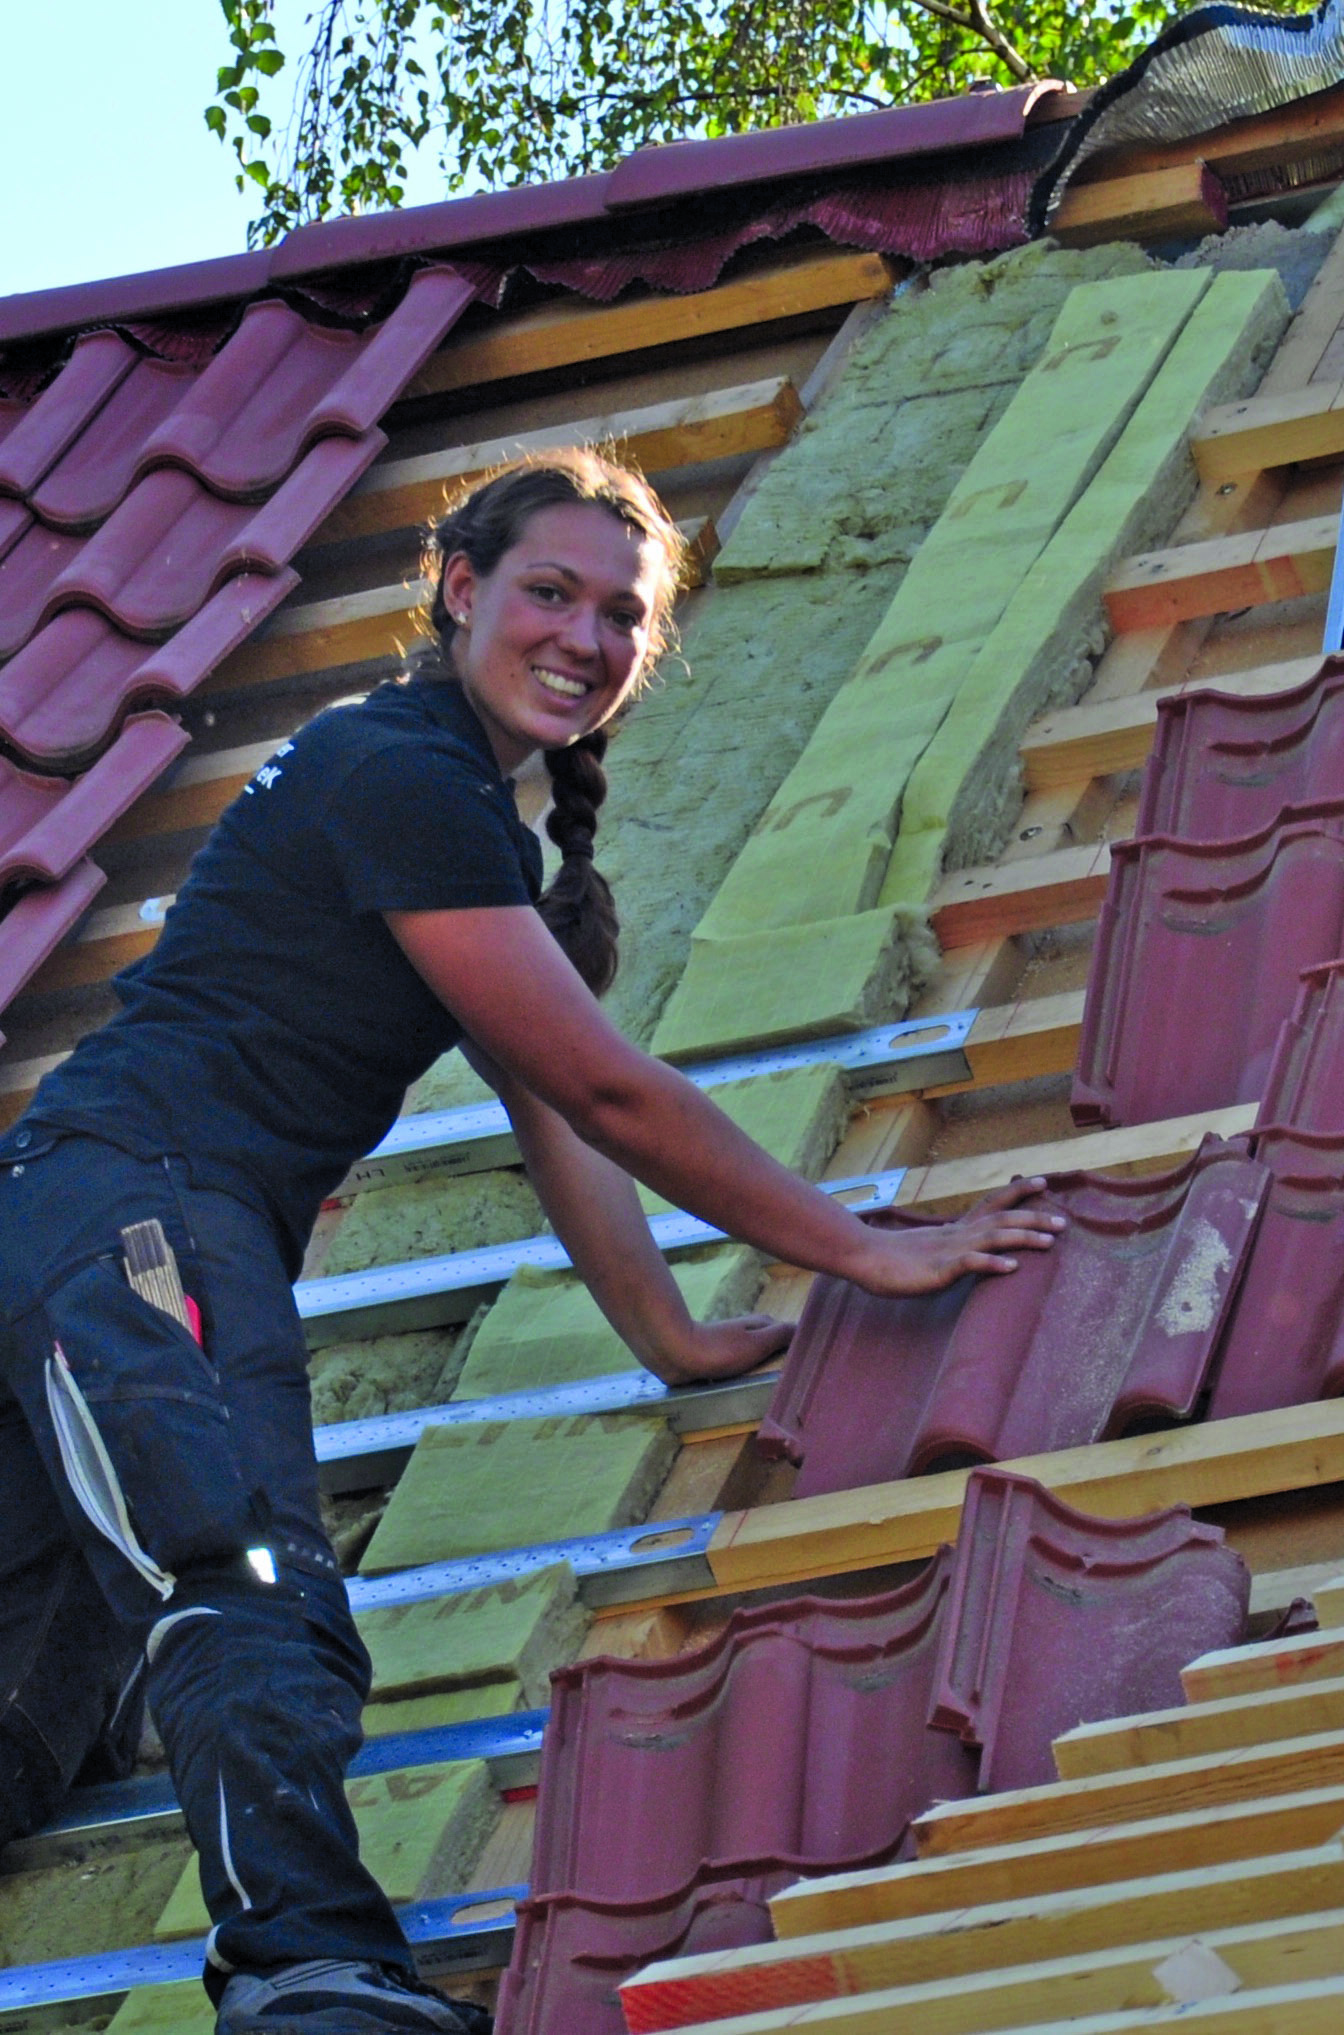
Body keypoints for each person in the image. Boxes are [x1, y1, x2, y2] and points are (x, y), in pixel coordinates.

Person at [0, 449, 1062, 2034]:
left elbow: (550, 1109)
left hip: (79, 1222)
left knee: (34, 1706)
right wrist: (864, 1248)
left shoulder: (469, 835)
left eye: (622, 615)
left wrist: (674, 1339)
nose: (584, 635)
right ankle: (310, 1970)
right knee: (245, 1576)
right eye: (549, 593)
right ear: (458, 591)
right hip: (139, 1212)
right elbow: (603, 1085)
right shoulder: (397, 770)